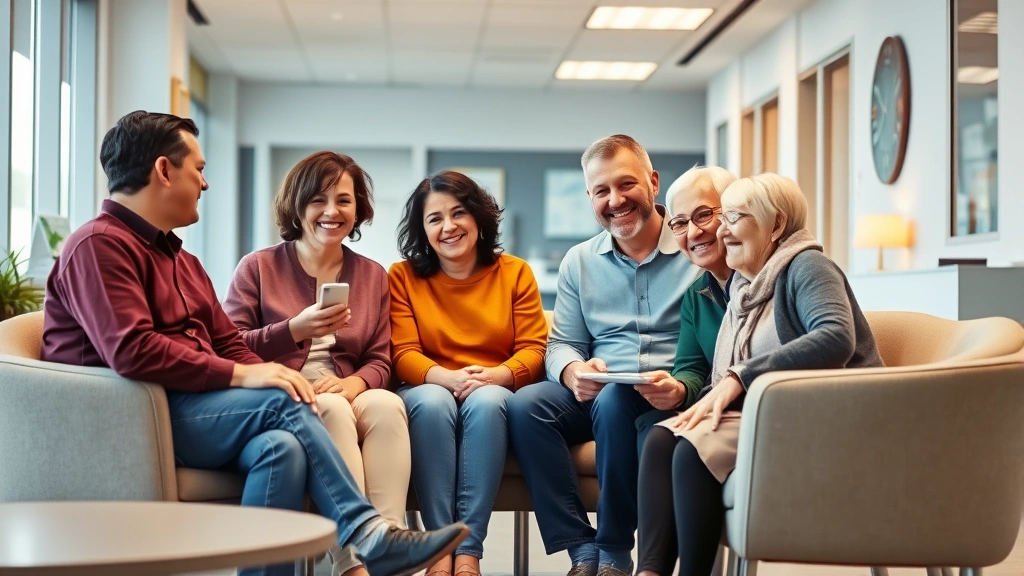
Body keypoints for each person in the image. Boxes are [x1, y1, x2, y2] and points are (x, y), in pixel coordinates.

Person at [41, 111, 467, 576]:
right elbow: (131, 351)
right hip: (135, 417)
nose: (204, 183)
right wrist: (252, 375)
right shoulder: (99, 245)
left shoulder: (181, 260)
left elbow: (226, 341)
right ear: (164, 171)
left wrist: (270, 371)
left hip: (189, 406)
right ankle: (367, 535)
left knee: (280, 446)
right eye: (198, 169)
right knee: (283, 402)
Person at [638, 173, 883, 576]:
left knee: (691, 450)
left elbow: (836, 337)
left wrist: (738, 377)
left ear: (777, 225)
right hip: (780, 408)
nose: (720, 230)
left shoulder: (808, 265)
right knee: (661, 438)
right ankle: (649, 572)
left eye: (732, 217)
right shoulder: (746, 286)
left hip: (833, 413)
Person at [507, 135, 696, 576]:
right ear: (590, 196)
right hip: (602, 387)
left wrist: (686, 384)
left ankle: (613, 550)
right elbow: (563, 343)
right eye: (600, 191)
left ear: (653, 182)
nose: (615, 200)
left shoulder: (694, 249)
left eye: (626, 184)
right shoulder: (579, 261)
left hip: (671, 388)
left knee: (614, 401)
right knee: (525, 406)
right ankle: (581, 548)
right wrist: (574, 370)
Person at [224, 151, 410, 526]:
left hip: (346, 387)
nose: (332, 211)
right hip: (284, 395)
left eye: (344, 200)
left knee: (387, 407)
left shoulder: (372, 275)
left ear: (358, 209)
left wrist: (356, 382)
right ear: (297, 207)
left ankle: (388, 541)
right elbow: (230, 346)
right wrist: (295, 329)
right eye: (317, 200)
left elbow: (381, 359)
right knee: (333, 410)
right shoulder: (258, 267)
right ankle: (353, 558)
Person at [389, 170, 548, 576]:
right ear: (423, 231)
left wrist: (498, 376)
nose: (449, 227)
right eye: (435, 219)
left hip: (493, 387)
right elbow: (402, 351)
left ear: (478, 218)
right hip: (428, 386)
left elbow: (534, 349)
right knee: (432, 401)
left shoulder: (515, 273)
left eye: (458, 213)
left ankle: (468, 552)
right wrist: (446, 377)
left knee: (489, 400)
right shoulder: (402, 277)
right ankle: (438, 549)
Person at [631, 165, 736, 576]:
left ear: (732, 213)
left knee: (679, 445)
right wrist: (677, 389)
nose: (693, 232)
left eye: (703, 216)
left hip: (764, 408)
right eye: (679, 222)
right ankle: (650, 571)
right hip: (724, 407)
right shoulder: (700, 291)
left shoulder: (763, 280)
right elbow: (692, 369)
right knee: (656, 434)